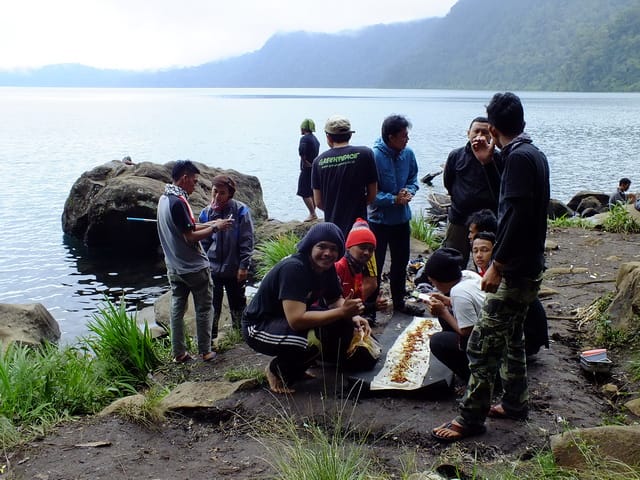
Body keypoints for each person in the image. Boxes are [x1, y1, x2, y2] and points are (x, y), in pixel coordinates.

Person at [432, 92, 550, 442]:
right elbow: (515, 205)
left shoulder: (517, 159)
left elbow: (514, 216)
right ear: (522, 122)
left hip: (515, 269)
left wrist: (496, 264)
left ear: (494, 128)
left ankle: (471, 419)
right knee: (513, 339)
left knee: (481, 346)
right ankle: (515, 403)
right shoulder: (532, 154)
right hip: (530, 265)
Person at [241, 222, 371, 394]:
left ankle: (298, 366)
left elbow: (334, 300)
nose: (327, 253)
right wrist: (341, 312)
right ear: (310, 246)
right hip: (259, 326)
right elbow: (296, 321)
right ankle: (276, 369)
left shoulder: (327, 269)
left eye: (333, 249)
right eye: (321, 247)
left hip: (285, 320)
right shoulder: (294, 269)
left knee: (342, 324)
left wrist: (352, 316)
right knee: (312, 339)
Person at [156, 160, 218, 363]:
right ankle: (205, 351)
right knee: (204, 308)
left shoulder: (164, 199)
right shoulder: (178, 202)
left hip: (174, 266)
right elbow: (190, 236)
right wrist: (216, 228)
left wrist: (210, 223)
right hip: (193, 267)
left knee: (177, 309)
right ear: (184, 178)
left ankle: (179, 353)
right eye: (194, 180)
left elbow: (187, 227)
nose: (195, 185)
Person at [367, 114, 423, 316]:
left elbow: (413, 178)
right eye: (403, 136)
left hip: (401, 219)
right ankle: (371, 308)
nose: (407, 139)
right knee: (375, 265)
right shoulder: (373, 156)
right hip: (378, 221)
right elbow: (369, 194)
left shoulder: (408, 154)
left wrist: (409, 191)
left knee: (401, 262)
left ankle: (399, 302)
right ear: (390, 137)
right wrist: (393, 199)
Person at [198, 175, 254, 342]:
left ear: (230, 194)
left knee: (237, 304)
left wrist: (244, 266)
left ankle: (241, 336)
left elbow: (247, 240)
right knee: (211, 306)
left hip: (234, 267)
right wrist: (203, 265)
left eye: (222, 193)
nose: (217, 196)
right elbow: (203, 243)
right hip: (212, 268)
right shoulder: (206, 213)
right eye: (215, 191)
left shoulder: (240, 211)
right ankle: (211, 339)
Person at [442, 117, 503, 268]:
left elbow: (502, 188)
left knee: (486, 263)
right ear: (468, 133)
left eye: (485, 132)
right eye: (476, 131)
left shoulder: (498, 157)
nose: (479, 136)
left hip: (487, 221)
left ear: (491, 135)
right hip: (459, 218)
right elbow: (448, 183)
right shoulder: (456, 156)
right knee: (453, 261)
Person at [423, 248, 484, 383]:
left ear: (441, 279)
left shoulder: (458, 292)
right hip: (490, 326)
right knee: (446, 316)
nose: (434, 285)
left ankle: (475, 377)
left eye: (433, 282)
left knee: (438, 341)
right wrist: (448, 301)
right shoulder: (467, 275)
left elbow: (467, 331)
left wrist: (443, 312)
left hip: (486, 341)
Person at [311, 115, 378, 237]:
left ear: (328, 137)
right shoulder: (365, 154)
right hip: (359, 228)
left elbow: (319, 202)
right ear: (350, 135)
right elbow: (372, 195)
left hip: (333, 228)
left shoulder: (318, 162)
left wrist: (335, 208)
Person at [335, 218, 388, 323]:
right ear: (349, 247)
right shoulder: (339, 268)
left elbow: (356, 307)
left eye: (371, 250)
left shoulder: (358, 270)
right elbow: (331, 305)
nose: (367, 253)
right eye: (362, 247)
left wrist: (375, 306)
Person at [297, 119, 321, 222]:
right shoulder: (315, 139)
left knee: (303, 191)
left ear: (303, 128)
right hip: (314, 167)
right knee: (311, 191)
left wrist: (304, 161)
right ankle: (312, 213)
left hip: (307, 168)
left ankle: (312, 213)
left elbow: (301, 150)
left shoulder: (305, 139)